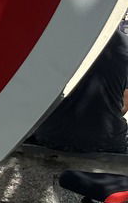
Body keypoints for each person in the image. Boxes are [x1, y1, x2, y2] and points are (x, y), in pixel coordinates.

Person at [29, 19, 128, 153]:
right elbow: (124, 106)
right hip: (106, 140)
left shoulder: (52, 42)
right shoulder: (125, 45)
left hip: (50, 136)